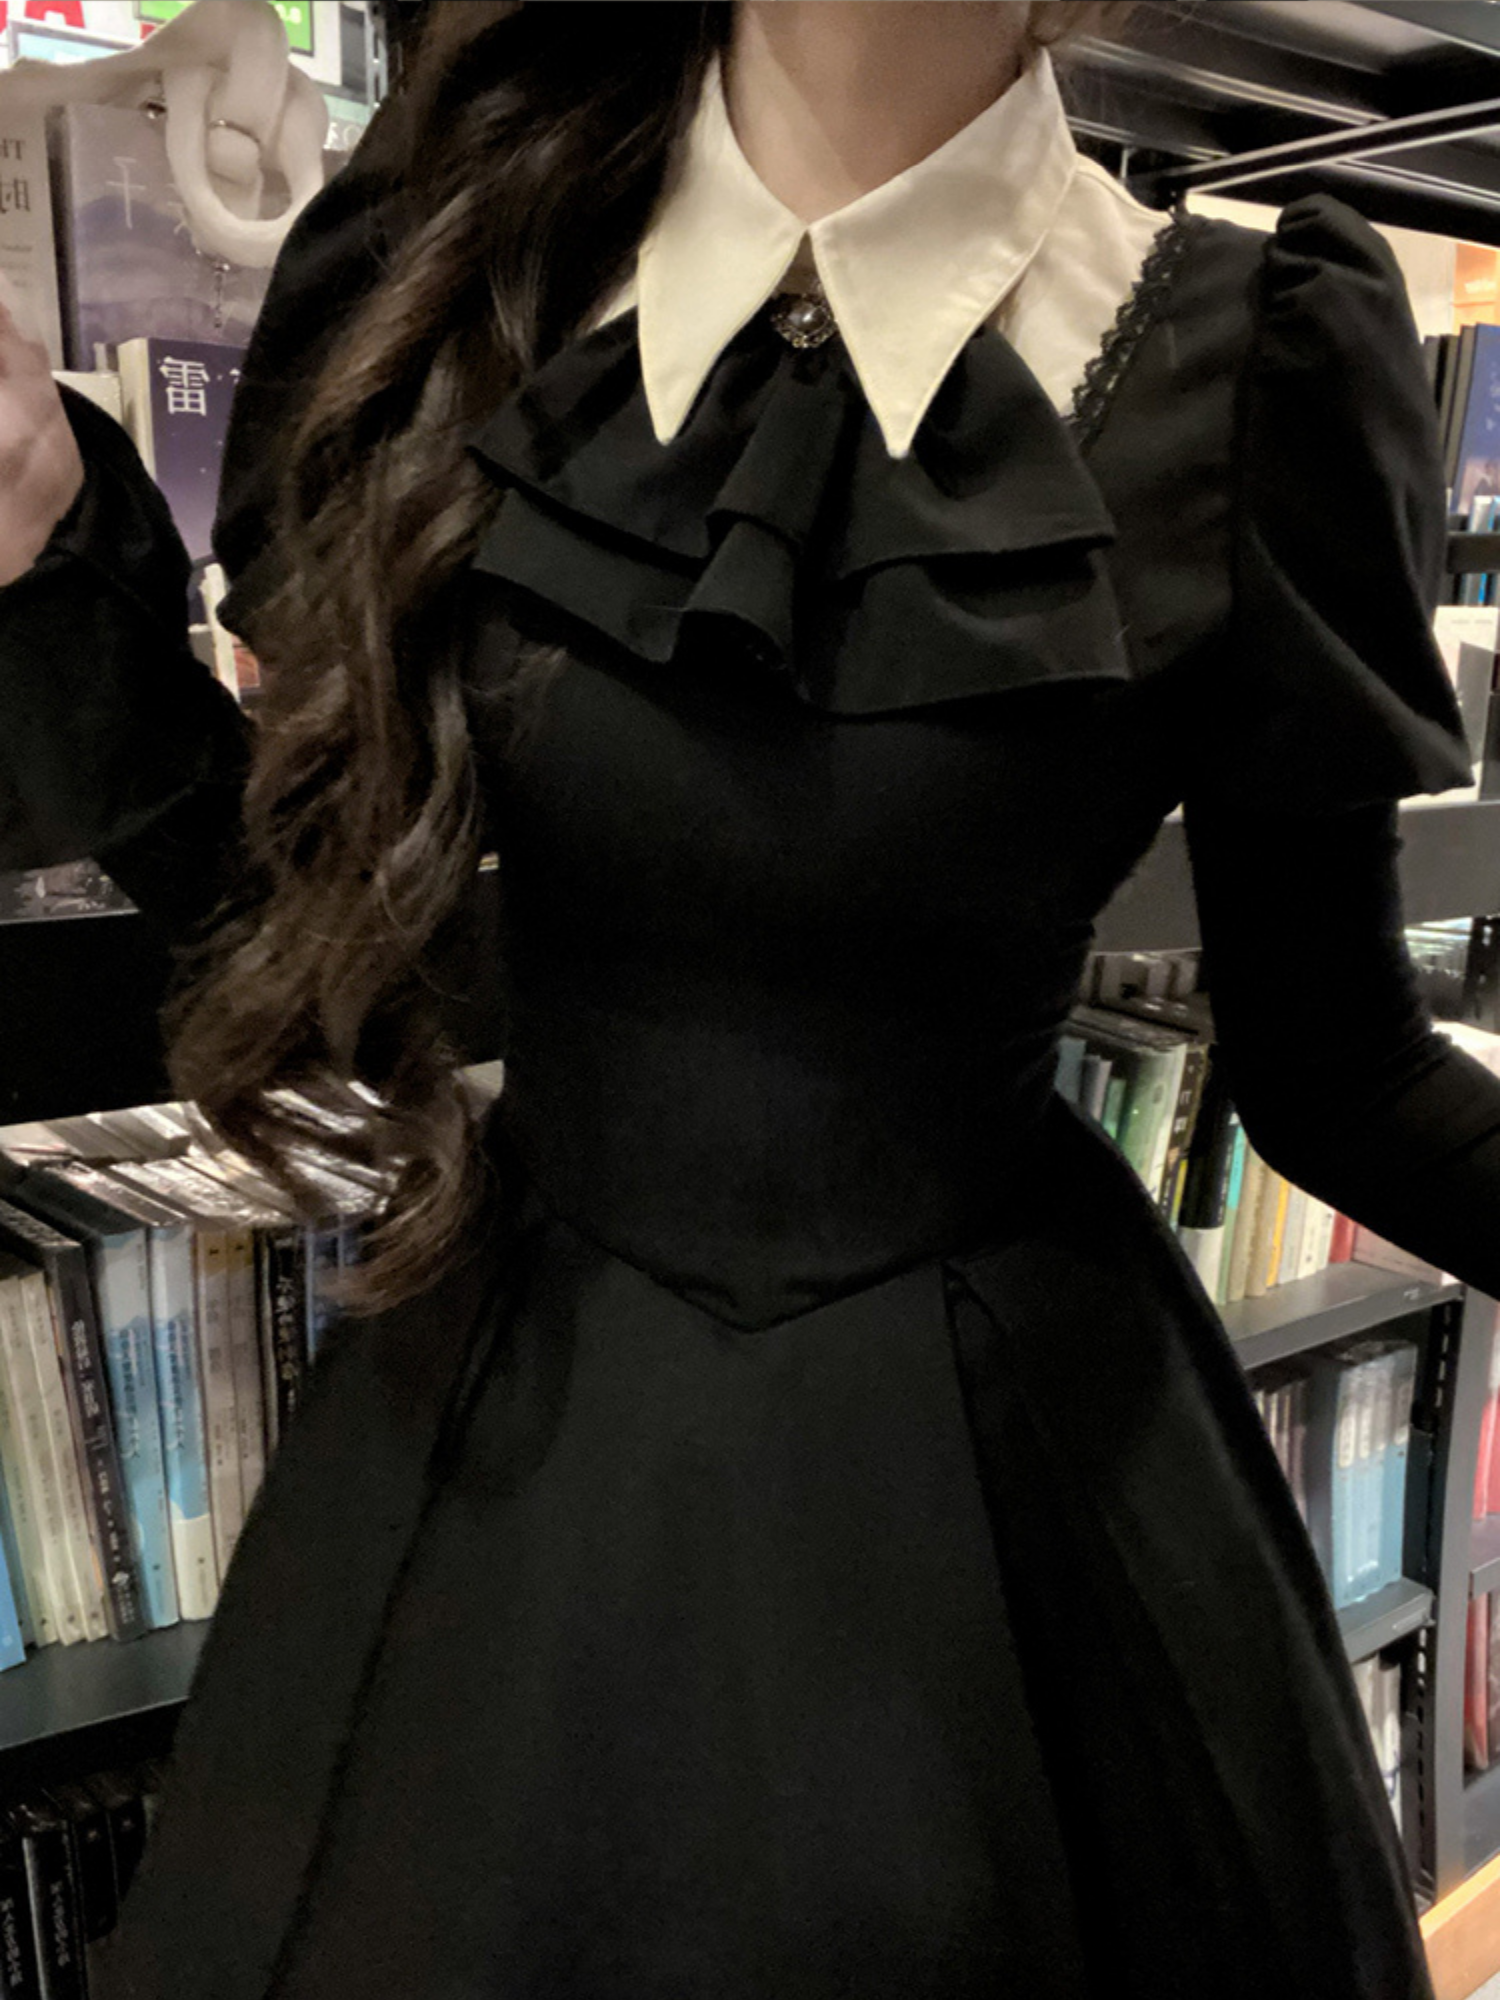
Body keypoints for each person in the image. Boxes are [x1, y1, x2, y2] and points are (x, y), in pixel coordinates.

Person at [1, 2, 1496, 1993]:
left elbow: (1338, 1064)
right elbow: (312, 930)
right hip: (513, 1474)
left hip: (1000, 1509)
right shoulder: (466, 271)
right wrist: (40, 548)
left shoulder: (1253, 360)